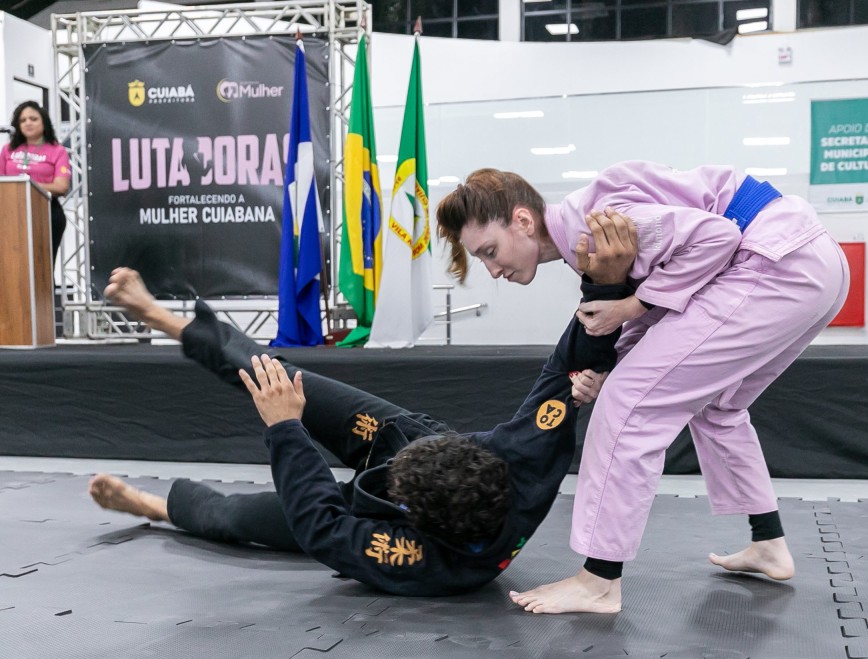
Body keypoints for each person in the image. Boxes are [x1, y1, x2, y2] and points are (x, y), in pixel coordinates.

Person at [87, 212, 636, 598]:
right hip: (415, 442)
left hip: (383, 506)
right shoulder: (523, 457)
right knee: (277, 375)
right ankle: (159, 315)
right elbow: (567, 364)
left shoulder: (428, 563)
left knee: (236, 517)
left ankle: (153, 506)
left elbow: (321, 526)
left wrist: (285, 430)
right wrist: (605, 283)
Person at [435, 160, 851, 613]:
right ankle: (768, 543)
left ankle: (599, 582)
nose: (492, 270)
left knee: (628, 406)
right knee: (719, 407)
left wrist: (632, 308)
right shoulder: (586, 230)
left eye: (490, 251)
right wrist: (613, 363)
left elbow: (717, 238)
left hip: (775, 264)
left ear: (522, 221)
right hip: (812, 264)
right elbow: (672, 301)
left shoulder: (596, 225)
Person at [1, 101, 70, 263]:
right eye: (23, 120)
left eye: (33, 119)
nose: (28, 123)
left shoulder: (57, 151)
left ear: (44, 122)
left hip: (46, 213)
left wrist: (27, 184)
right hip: (11, 213)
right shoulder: (8, 149)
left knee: (42, 266)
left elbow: (61, 187)